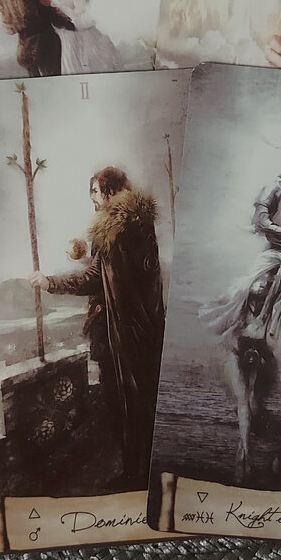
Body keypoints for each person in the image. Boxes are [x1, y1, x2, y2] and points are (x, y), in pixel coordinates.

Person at [29, 166, 164, 488]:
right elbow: (122, 275)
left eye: (94, 191)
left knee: (125, 406)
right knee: (143, 404)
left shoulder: (112, 228)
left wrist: (49, 283)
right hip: (145, 329)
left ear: (110, 192)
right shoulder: (140, 223)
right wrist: (93, 260)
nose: (91, 198)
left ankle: (134, 478)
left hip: (121, 333)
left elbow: (94, 281)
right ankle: (144, 473)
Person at [201, 143, 281, 360]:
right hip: (276, 253)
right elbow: (261, 222)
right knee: (257, 287)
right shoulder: (273, 189)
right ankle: (253, 335)